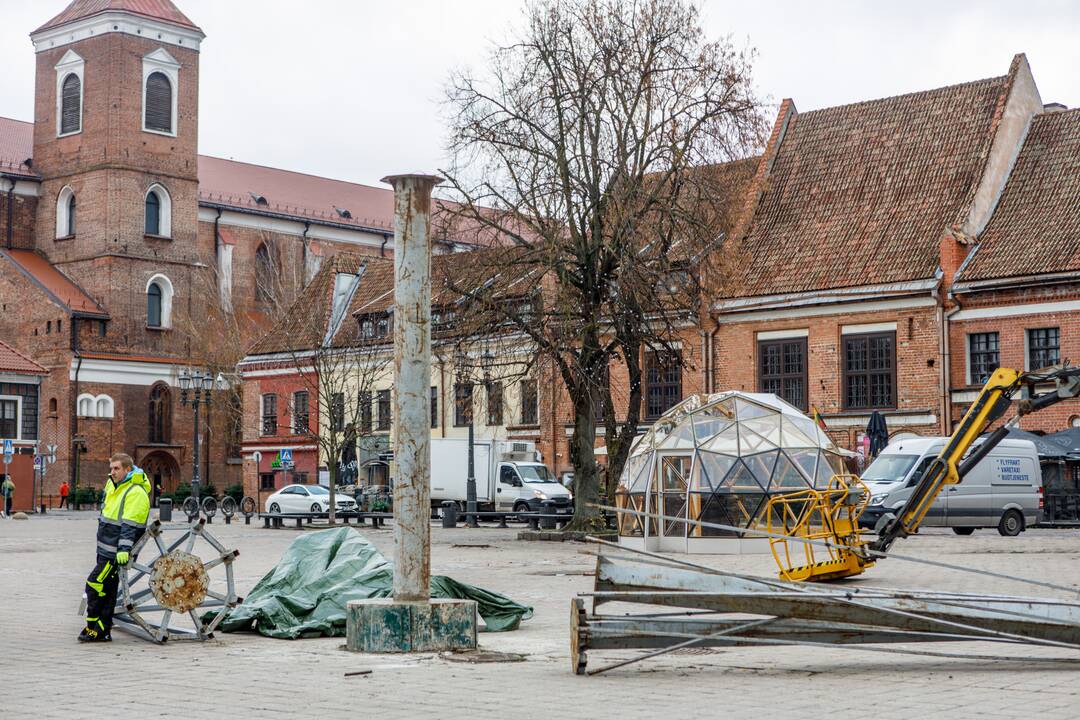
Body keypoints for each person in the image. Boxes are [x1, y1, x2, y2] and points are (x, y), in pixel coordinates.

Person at [79, 453, 151, 643]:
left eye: (116, 468)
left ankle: (94, 627)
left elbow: (130, 525)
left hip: (115, 553)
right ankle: (100, 630)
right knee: (107, 590)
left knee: (94, 585)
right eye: (111, 468)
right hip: (105, 548)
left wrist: (124, 550)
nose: (112, 472)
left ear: (128, 469)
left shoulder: (135, 492)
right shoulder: (113, 485)